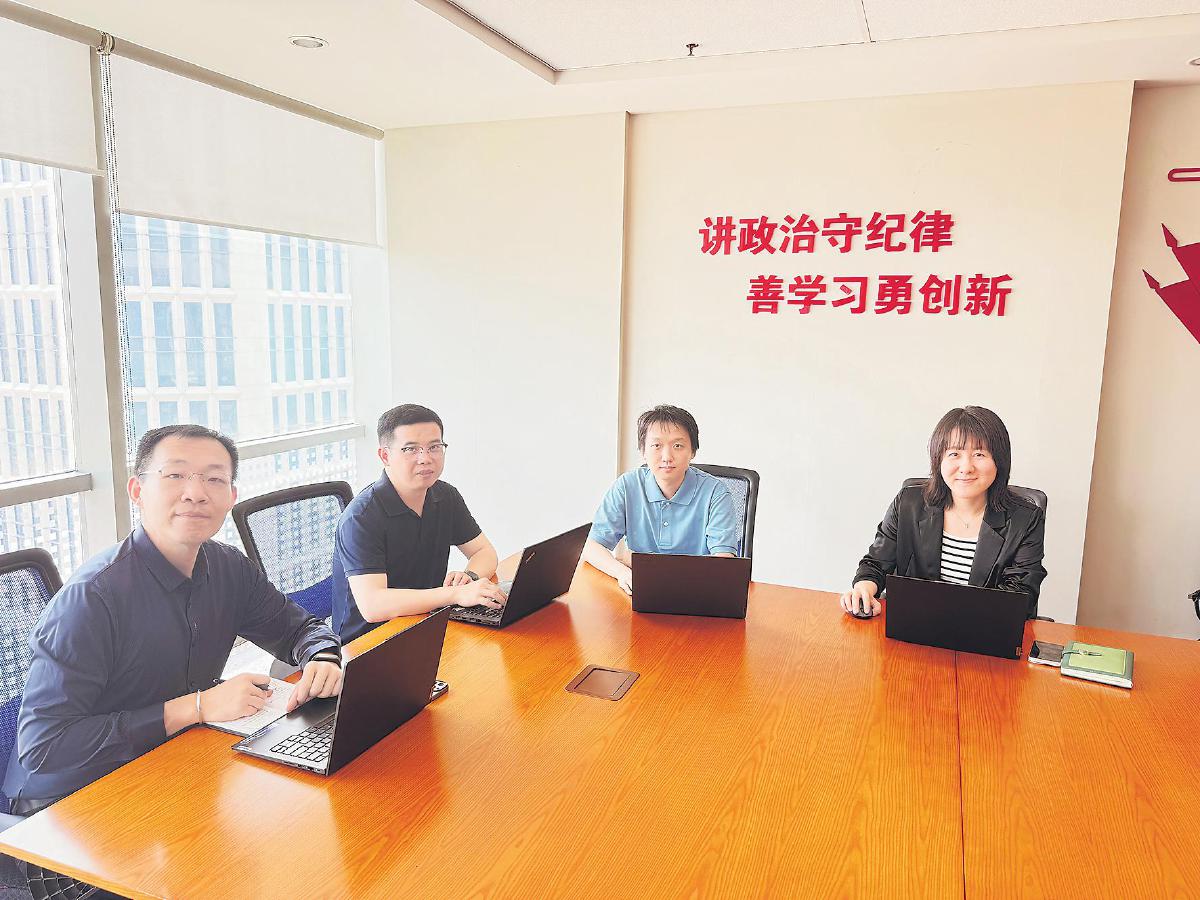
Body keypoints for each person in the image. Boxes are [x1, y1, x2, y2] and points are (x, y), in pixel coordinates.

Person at [2, 425, 343, 815]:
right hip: (69, 803)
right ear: (137, 491)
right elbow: (44, 747)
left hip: (171, 758)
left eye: (214, 479)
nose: (195, 492)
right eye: (175, 475)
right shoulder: (92, 599)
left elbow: (297, 628)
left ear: (231, 497)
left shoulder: (228, 567)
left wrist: (322, 657)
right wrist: (196, 707)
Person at [840, 405, 1047, 620]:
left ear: (999, 461)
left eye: (979, 454)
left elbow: (1019, 597)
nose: (966, 467)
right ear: (938, 459)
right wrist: (864, 589)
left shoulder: (1025, 520)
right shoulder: (908, 504)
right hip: (914, 626)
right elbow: (876, 563)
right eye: (954, 454)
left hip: (985, 631)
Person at [332, 404, 504, 643]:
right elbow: (373, 605)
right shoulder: (361, 517)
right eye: (410, 449)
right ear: (385, 456)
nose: (425, 459)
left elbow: (484, 551)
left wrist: (469, 578)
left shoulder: (445, 496)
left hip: (426, 622)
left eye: (434, 447)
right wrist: (454, 594)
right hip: (370, 642)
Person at [583, 404, 739, 595]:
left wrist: (632, 560)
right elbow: (592, 546)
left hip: (697, 592)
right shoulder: (627, 486)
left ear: (693, 451)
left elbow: (723, 562)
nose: (667, 457)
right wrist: (622, 573)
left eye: (677, 446)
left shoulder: (716, 493)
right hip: (640, 590)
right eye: (656, 446)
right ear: (643, 451)